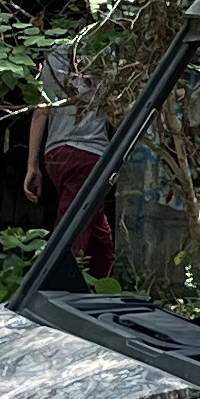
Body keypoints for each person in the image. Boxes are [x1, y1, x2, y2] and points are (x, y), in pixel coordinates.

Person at [24, 31, 118, 283]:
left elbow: (40, 112)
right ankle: (54, 287)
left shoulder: (53, 54)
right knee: (71, 232)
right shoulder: (105, 55)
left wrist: (33, 165)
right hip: (89, 155)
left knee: (98, 234)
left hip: (57, 155)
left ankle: (102, 286)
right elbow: (114, 117)